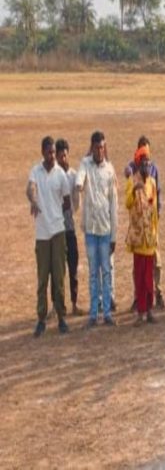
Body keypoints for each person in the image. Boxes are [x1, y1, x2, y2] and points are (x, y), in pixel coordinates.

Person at [27, 136, 72, 336]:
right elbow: (30, 189)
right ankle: (41, 318)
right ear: (42, 153)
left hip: (58, 232)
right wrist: (34, 201)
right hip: (42, 234)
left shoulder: (60, 174)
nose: (53, 156)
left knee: (59, 277)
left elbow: (67, 201)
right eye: (49, 152)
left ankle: (61, 317)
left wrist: (56, 214)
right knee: (42, 278)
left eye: (54, 152)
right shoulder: (35, 171)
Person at [76, 131, 118, 327]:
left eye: (102, 147)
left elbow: (114, 204)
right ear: (91, 148)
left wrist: (114, 235)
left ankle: (107, 312)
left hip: (106, 230)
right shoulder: (85, 164)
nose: (100, 151)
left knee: (106, 272)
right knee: (93, 273)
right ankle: (94, 314)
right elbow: (79, 179)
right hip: (91, 231)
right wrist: (78, 185)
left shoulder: (109, 170)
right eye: (96, 147)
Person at [124, 136, 164, 311]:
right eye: (144, 161)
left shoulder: (152, 183)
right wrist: (134, 190)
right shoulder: (132, 181)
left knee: (149, 277)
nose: (147, 165)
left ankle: (149, 310)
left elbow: (154, 209)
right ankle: (141, 310)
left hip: (150, 238)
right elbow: (127, 203)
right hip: (138, 239)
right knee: (140, 277)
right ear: (138, 164)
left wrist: (155, 232)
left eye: (149, 161)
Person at [55, 139, 82, 317]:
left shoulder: (73, 175)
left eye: (65, 155)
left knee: (73, 266)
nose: (63, 158)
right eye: (60, 155)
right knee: (57, 270)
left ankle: (74, 303)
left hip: (70, 228)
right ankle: (57, 305)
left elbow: (76, 204)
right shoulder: (54, 176)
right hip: (56, 229)